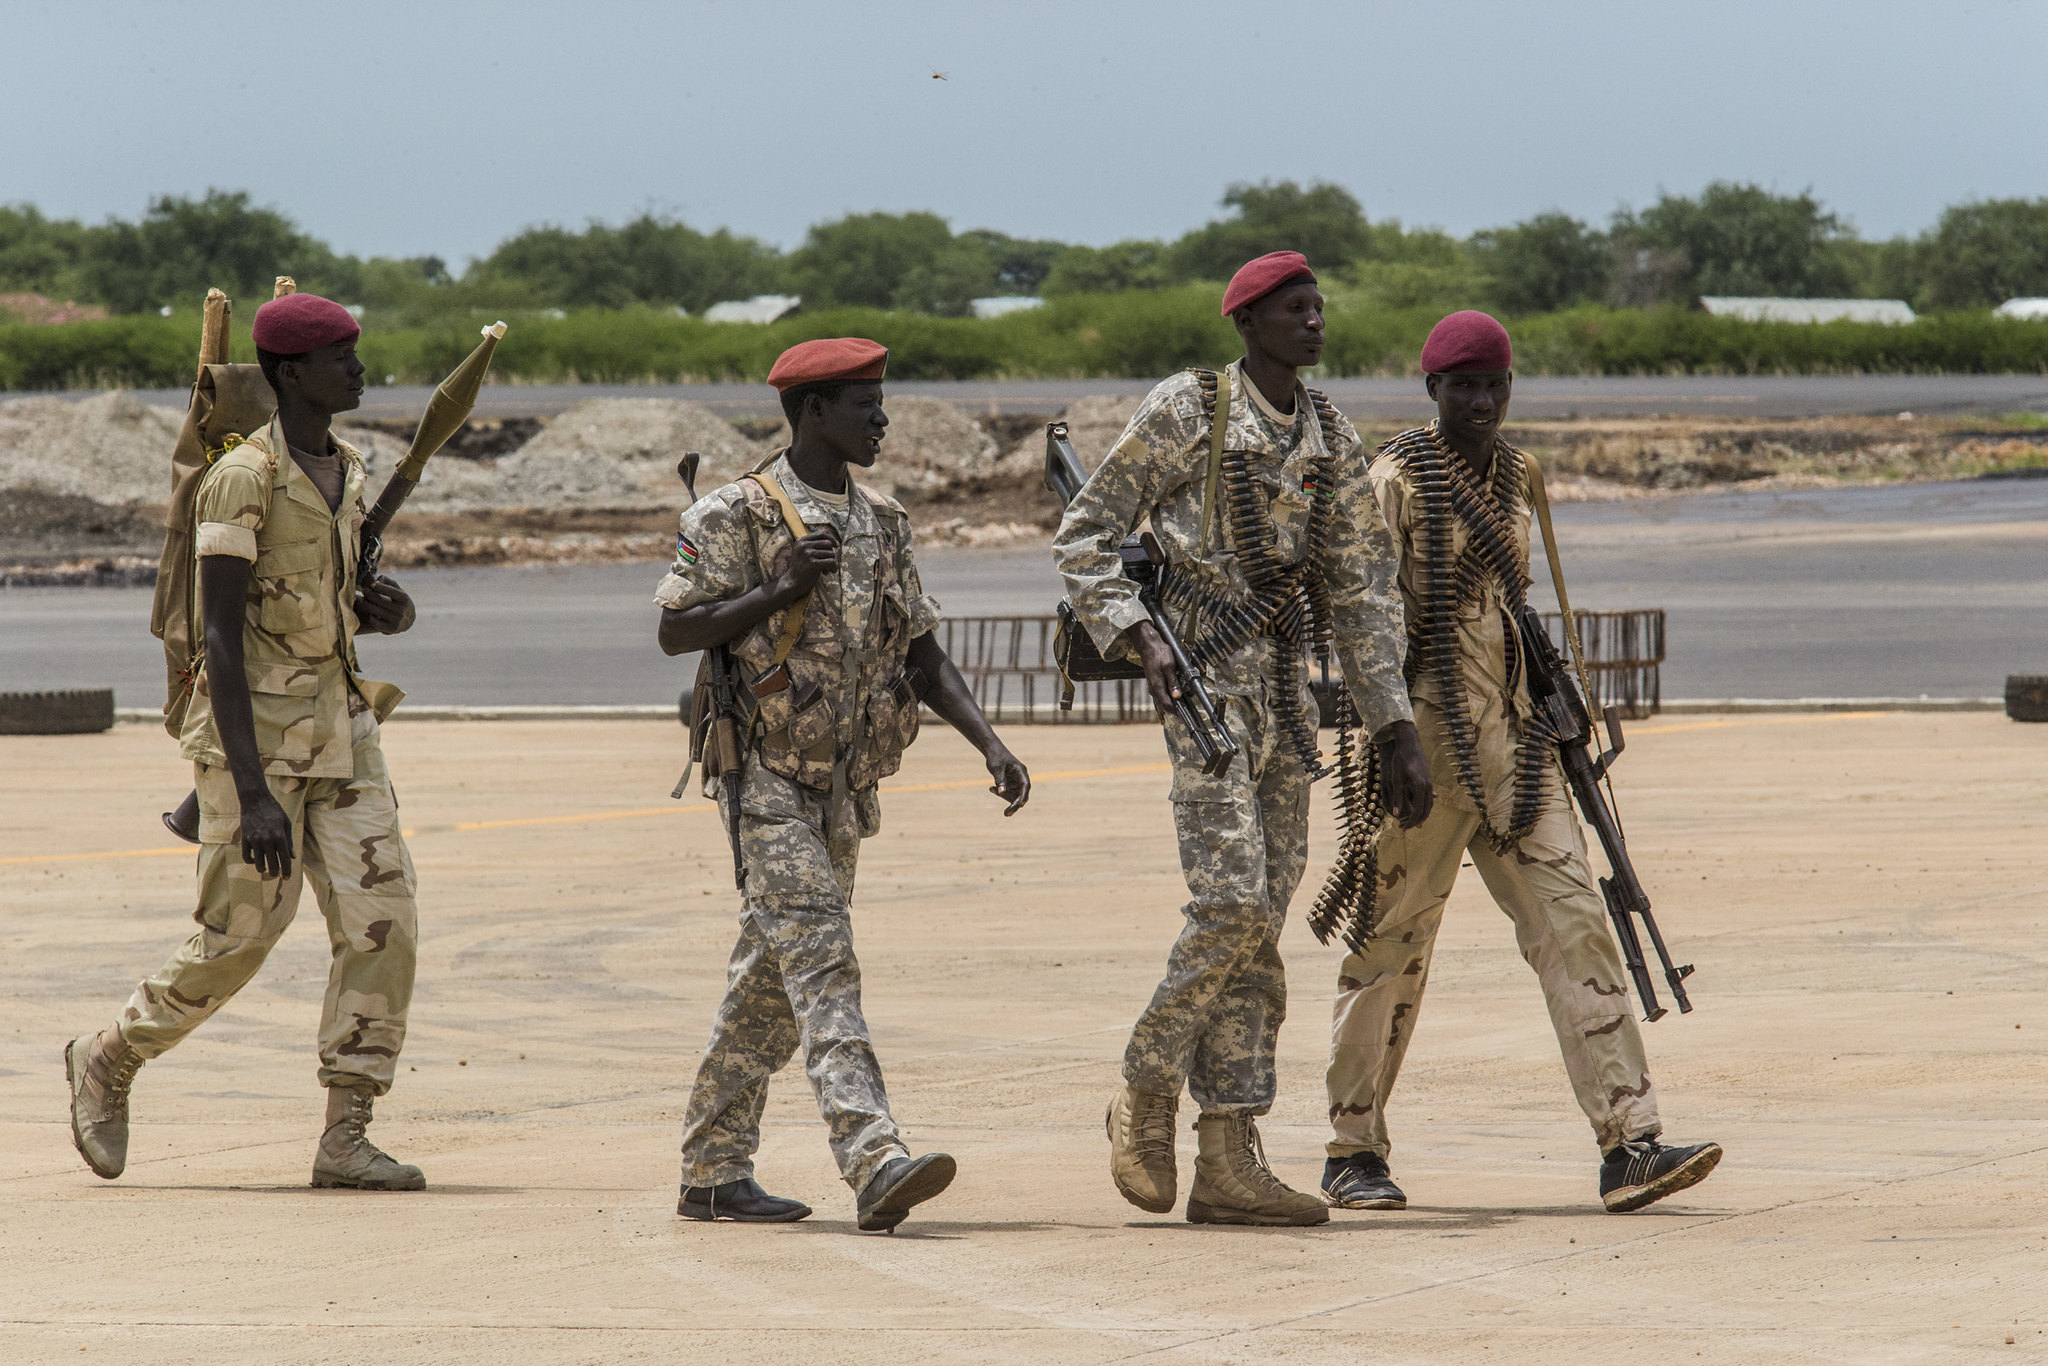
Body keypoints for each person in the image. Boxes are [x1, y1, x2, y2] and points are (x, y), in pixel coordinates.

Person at [1052, 252, 1429, 1226]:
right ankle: (1145, 1081)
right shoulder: (1189, 409)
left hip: (1281, 703)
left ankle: (1227, 1151)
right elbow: (1085, 531)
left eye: (1316, 306)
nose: (1313, 322)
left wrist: (1391, 721)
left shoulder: (1329, 433)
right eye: (1293, 309)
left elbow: (1357, 586)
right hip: (1201, 690)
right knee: (1225, 904)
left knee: (1259, 925)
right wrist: (1136, 630)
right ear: (1247, 321)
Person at [1319, 310, 1721, 1215]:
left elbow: (1522, 612)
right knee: (1389, 950)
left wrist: (1554, 706)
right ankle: (1351, 1149)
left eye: (1496, 385)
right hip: (1421, 753)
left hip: (1517, 757)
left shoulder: (1517, 478)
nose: (1483, 402)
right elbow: (1365, 624)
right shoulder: (1395, 481)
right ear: (1433, 391)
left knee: (1579, 925)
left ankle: (1631, 1143)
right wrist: (1393, 739)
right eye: (1465, 387)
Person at [656, 337, 1031, 1233]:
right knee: (823, 964)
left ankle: (712, 1170)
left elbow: (923, 656)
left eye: (881, 400)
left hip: (847, 789)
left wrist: (990, 744)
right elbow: (676, 631)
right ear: (813, 410)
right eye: (864, 403)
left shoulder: (883, 521)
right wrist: (777, 590)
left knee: (768, 978)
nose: (882, 417)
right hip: (767, 783)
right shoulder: (733, 514)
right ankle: (874, 1158)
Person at [66, 292, 428, 1190]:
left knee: (384, 925)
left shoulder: (344, 468)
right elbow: (221, 635)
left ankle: (346, 1134)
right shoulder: (243, 479)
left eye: (355, 351)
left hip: (343, 731)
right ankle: (108, 1056)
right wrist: (254, 792)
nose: (357, 367)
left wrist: (390, 613)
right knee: (240, 938)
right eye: (339, 356)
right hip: (253, 744)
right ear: (289, 373)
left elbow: (320, 608)